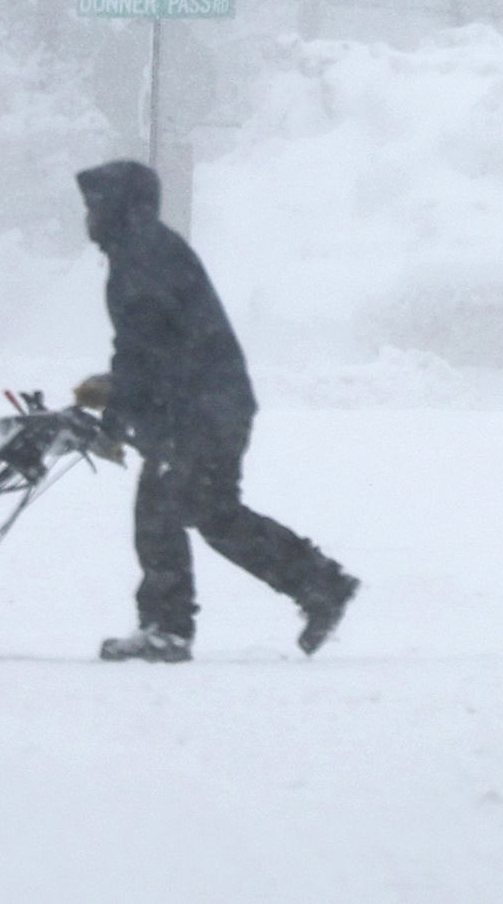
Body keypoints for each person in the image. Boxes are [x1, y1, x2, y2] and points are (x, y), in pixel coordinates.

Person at [71, 158, 357, 664]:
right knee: (212, 512)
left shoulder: (144, 256)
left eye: (96, 205)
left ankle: (167, 629)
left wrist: (117, 409)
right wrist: (119, 401)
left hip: (201, 407)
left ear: (124, 208)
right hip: (206, 403)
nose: (88, 216)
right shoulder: (142, 250)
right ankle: (320, 584)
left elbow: (144, 348)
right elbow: (144, 347)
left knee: (162, 513)